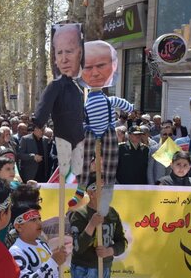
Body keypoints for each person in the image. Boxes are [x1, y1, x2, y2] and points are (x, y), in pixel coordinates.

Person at [69, 40, 133, 208]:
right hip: (90, 131)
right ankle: (80, 189)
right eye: (88, 68)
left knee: (112, 159)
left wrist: (131, 108)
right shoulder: (84, 103)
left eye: (100, 66)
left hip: (108, 131)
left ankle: (109, 188)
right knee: (83, 159)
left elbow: (127, 106)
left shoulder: (110, 99)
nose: (95, 74)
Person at [33, 23, 85, 198]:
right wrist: (37, 125)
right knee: (64, 173)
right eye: (59, 53)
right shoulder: (55, 85)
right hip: (63, 139)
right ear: (54, 58)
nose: (64, 59)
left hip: (80, 139)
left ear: (80, 53)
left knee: (78, 173)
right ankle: (58, 200)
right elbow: (43, 107)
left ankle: (74, 198)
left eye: (69, 51)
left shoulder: (78, 87)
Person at [70, 173, 127, 278]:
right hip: (84, 269)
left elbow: (123, 242)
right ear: (91, 193)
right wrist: (91, 225)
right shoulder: (79, 214)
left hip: (105, 267)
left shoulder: (112, 213)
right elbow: (77, 248)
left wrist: (109, 251)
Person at [9, 203, 67, 277]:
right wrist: (53, 262)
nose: (39, 223)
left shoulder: (43, 244)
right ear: (19, 227)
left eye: (39, 218)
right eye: (33, 219)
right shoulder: (16, 251)